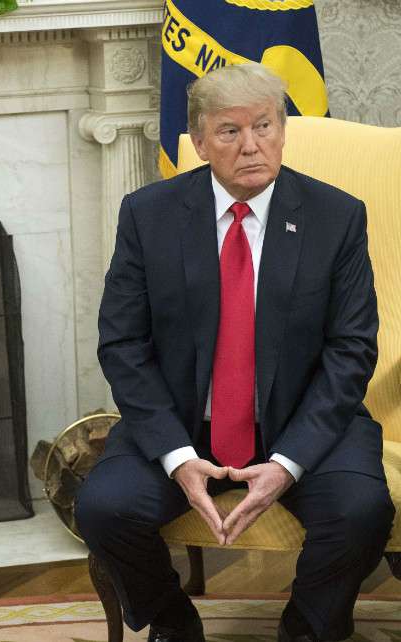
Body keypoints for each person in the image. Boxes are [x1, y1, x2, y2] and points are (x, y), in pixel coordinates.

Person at [75, 63, 394, 642]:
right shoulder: (148, 216)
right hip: (183, 423)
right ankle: (172, 620)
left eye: (265, 126)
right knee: (104, 507)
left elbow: (350, 351)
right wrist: (175, 454)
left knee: (360, 510)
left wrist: (287, 462)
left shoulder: (335, 217)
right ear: (198, 141)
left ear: (282, 129)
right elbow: (122, 344)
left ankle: (306, 627)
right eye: (230, 131)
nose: (252, 146)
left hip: (305, 423)